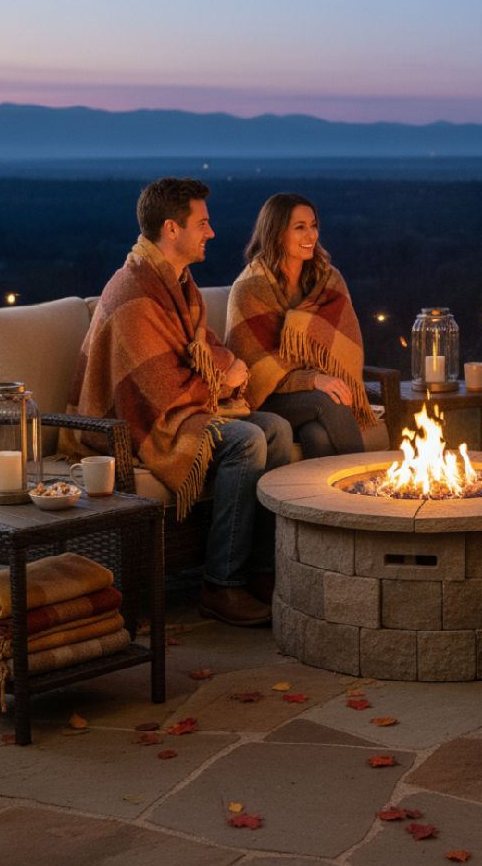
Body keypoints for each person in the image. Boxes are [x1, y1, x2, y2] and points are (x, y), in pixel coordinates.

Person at [60, 178, 293, 627]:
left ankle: (262, 572)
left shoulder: (178, 284)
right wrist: (222, 379)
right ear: (171, 228)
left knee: (277, 430)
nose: (211, 232)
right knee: (246, 440)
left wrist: (226, 369)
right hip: (135, 424)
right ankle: (221, 585)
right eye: (202, 223)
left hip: (183, 409)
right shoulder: (132, 291)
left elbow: (202, 347)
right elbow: (152, 390)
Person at [225, 192, 375, 457]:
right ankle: (366, 476)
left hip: (314, 396)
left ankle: (325, 488)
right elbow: (254, 373)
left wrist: (319, 380)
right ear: (276, 233)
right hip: (266, 398)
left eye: (314, 225)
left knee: (317, 435)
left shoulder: (327, 281)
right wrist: (313, 379)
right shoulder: (249, 289)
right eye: (300, 227)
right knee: (327, 402)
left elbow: (342, 347)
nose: (311, 235)